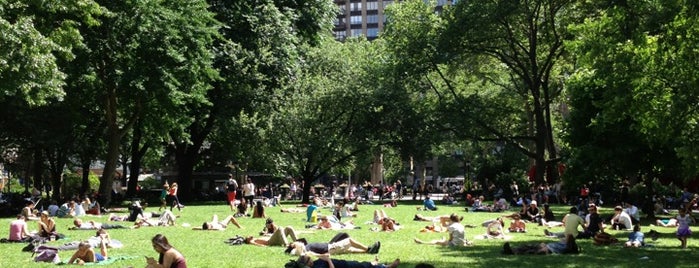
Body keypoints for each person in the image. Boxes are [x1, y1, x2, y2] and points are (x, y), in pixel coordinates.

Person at [286, 233, 380, 256]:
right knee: (350, 240)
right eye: (293, 243)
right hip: (331, 248)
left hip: (331, 248)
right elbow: (307, 253)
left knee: (350, 250)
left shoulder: (305, 247)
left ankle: (367, 252)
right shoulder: (303, 249)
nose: (295, 242)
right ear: (293, 246)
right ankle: (368, 249)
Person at [502, 234, 580, 255]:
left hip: (548, 249)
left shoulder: (565, 247)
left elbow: (576, 249)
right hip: (546, 246)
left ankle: (512, 251)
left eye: (566, 238)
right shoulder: (563, 242)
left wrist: (546, 248)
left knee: (530, 250)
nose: (564, 238)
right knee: (528, 246)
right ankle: (511, 249)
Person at [294, 254, 400, 268]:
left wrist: (324, 257)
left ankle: (375, 263)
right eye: (309, 259)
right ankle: (387, 267)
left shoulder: (315, 263)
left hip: (344, 263)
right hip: (345, 266)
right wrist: (328, 260)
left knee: (362, 264)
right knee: (363, 267)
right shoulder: (317, 267)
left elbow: (324, 256)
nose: (311, 258)